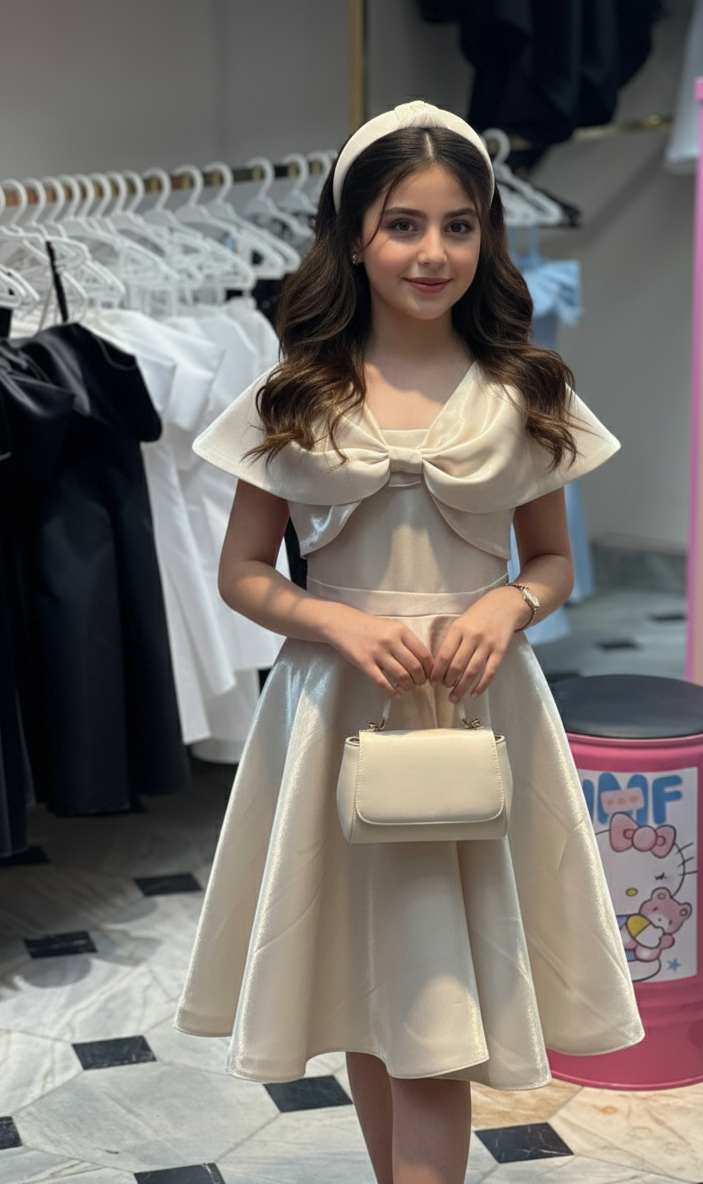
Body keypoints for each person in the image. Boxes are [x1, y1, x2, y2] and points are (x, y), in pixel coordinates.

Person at [174, 100, 645, 1184]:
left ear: (486, 237)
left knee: (435, 1008)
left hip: (477, 711)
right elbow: (241, 572)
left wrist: (506, 606)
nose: (432, 252)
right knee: (365, 984)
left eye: (458, 225)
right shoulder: (295, 395)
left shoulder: (524, 391)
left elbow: (551, 561)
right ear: (353, 237)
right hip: (334, 711)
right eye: (403, 224)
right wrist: (331, 616)